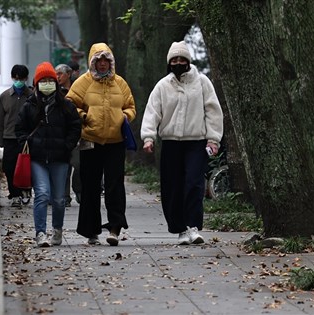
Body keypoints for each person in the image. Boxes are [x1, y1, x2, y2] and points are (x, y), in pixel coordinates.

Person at [141, 41, 223, 245]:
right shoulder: (163, 85)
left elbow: (213, 111)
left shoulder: (202, 82)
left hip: (196, 142)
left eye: (182, 59)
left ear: (188, 61)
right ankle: (180, 229)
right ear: (169, 63)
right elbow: (153, 112)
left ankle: (193, 226)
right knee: (173, 186)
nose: (178, 62)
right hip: (170, 143)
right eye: (174, 60)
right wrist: (148, 137)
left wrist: (213, 139)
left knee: (194, 183)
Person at [66, 42, 136, 246]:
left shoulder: (120, 83)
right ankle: (91, 231)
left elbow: (131, 106)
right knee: (90, 186)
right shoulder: (82, 83)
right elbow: (70, 104)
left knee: (115, 185)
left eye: (106, 60)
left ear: (111, 62)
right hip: (91, 140)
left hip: (116, 141)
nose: (103, 64)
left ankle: (115, 228)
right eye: (98, 60)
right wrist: (83, 115)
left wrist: (125, 116)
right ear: (92, 62)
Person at [15, 62, 81, 247]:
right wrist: (27, 143)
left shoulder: (66, 105)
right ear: (36, 83)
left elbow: (75, 126)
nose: (46, 83)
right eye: (42, 80)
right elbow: (19, 128)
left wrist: (67, 145)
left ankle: (57, 230)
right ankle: (40, 233)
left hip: (59, 158)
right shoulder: (29, 106)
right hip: (37, 158)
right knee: (42, 194)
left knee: (59, 199)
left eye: (49, 80)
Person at [0, 65, 33, 207]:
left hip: (26, 137)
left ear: (26, 78)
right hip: (9, 136)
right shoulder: (5, 96)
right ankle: (15, 194)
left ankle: (26, 190)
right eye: (16, 78)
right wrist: (0, 139)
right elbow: (0, 119)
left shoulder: (31, 95)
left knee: (26, 167)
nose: (18, 80)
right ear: (12, 77)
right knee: (9, 167)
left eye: (21, 78)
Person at [55, 63, 80, 207]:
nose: (57, 77)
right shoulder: (55, 91)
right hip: (60, 134)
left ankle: (78, 190)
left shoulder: (79, 89)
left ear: (69, 74)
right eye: (56, 74)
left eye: (60, 74)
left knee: (78, 164)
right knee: (63, 167)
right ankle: (64, 196)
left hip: (77, 133)